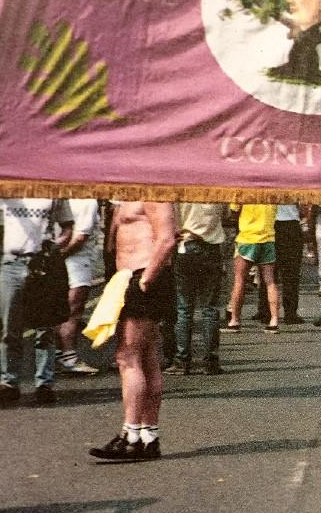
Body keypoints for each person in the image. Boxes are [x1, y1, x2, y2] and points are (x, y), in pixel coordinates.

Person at [89, 202, 176, 462]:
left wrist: (146, 279)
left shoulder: (153, 191)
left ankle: (131, 435)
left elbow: (167, 238)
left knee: (127, 357)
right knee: (146, 357)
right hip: (132, 277)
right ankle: (148, 436)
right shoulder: (131, 193)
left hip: (142, 277)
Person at [0, 198, 73, 405]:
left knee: (45, 328)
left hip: (42, 263)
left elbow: (68, 229)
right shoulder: (7, 190)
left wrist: (52, 247)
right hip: (12, 263)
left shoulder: (52, 191)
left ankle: (44, 384)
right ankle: (9, 383)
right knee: (10, 328)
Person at [165, 202, 226, 376]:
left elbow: (173, 219)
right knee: (210, 308)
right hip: (212, 248)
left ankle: (182, 360)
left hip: (186, 247)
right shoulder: (217, 191)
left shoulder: (183, 189)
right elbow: (226, 214)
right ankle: (211, 361)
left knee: (184, 309)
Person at [55, 198, 101, 375]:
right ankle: (70, 358)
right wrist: (62, 255)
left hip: (63, 259)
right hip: (78, 262)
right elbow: (81, 236)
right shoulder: (87, 201)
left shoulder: (62, 198)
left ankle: (60, 355)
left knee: (60, 310)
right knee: (73, 311)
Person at [223, 204, 280, 333]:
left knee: (239, 280)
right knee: (270, 281)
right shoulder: (273, 191)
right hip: (268, 238)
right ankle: (274, 320)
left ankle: (235, 320)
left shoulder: (244, 189)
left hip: (247, 238)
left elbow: (233, 211)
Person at [255, 204, 305, 325]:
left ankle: (265, 310)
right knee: (290, 271)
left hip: (270, 221)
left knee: (268, 270)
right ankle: (290, 312)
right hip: (290, 223)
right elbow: (303, 205)